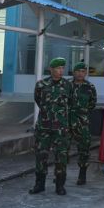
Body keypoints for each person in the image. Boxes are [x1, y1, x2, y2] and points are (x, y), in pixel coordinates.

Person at [29, 57, 74, 196]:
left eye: (62, 68)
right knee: (41, 156)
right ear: (51, 69)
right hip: (44, 127)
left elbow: (71, 103)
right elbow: (38, 100)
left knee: (61, 157)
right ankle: (39, 184)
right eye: (58, 68)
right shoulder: (41, 85)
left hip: (61, 129)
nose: (61, 71)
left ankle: (60, 185)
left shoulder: (68, 85)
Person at [70, 61, 97, 186]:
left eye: (83, 71)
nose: (80, 74)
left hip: (82, 122)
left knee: (84, 149)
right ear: (74, 72)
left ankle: (82, 175)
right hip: (67, 121)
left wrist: (82, 113)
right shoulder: (66, 85)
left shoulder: (90, 87)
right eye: (78, 71)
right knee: (62, 149)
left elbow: (92, 103)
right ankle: (60, 174)